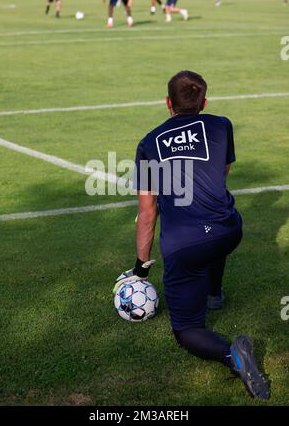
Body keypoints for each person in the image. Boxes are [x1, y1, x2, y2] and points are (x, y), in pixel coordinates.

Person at [115, 71, 270, 400]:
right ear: (205, 102)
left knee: (187, 331)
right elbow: (223, 173)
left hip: (186, 245)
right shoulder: (221, 125)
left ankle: (233, 356)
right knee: (214, 235)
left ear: (168, 103)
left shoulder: (149, 142)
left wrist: (141, 267)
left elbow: (148, 212)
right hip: (229, 230)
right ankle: (213, 293)